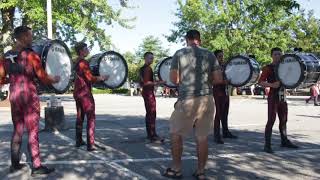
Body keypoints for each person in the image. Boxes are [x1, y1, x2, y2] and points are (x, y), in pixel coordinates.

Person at [163, 30, 222, 179]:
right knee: (202, 137)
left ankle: (176, 169)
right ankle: (201, 172)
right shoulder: (210, 54)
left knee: (176, 134)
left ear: (186, 40)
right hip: (207, 100)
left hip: (187, 99)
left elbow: (174, 80)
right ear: (199, 40)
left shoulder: (180, 53)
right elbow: (218, 79)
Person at [1, 26, 60, 176]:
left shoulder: (6, 56)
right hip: (29, 96)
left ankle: (14, 164)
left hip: (15, 96)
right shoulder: (31, 55)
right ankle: (37, 166)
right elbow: (43, 77)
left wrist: (11, 79)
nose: (31, 38)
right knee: (33, 131)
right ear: (23, 37)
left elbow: (1, 77)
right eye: (29, 35)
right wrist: (54, 78)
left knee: (17, 130)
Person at [258, 47, 298, 154]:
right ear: (271, 56)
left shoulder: (285, 67)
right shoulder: (268, 68)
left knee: (284, 119)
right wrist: (271, 85)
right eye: (275, 54)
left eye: (279, 54)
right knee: (271, 120)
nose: (277, 56)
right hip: (273, 96)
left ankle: (284, 141)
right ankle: (267, 145)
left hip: (282, 96)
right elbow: (260, 82)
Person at [73, 42, 108, 151]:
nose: (88, 50)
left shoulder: (77, 62)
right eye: (86, 48)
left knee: (80, 117)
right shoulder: (83, 62)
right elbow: (90, 78)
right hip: (85, 93)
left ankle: (78, 141)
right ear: (81, 51)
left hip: (77, 92)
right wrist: (101, 78)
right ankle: (90, 144)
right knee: (91, 117)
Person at [212, 50, 237, 144]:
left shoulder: (225, 66)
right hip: (218, 91)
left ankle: (225, 132)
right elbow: (211, 81)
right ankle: (216, 135)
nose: (222, 58)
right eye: (219, 56)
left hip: (225, 91)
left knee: (225, 113)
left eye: (222, 56)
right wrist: (222, 82)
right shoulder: (213, 67)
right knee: (219, 113)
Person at [139, 52, 165, 143]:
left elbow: (142, 82)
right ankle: (152, 135)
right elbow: (146, 83)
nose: (152, 60)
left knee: (149, 114)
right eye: (150, 58)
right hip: (148, 93)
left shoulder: (142, 69)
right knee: (152, 114)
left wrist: (155, 81)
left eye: (152, 58)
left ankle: (150, 134)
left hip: (146, 92)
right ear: (145, 58)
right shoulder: (148, 69)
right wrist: (158, 83)